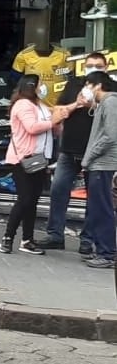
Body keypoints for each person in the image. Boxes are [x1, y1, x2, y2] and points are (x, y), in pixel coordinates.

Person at [0, 74, 80, 256]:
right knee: (25, 199)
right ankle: (8, 237)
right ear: (32, 86)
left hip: (39, 159)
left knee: (33, 201)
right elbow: (32, 127)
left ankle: (27, 239)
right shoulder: (22, 105)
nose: (43, 87)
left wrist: (58, 122)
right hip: (23, 159)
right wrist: (52, 122)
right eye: (40, 84)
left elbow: (52, 121)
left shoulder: (40, 105)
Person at [39, 51, 110, 251]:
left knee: (94, 198)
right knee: (58, 190)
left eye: (97, 65)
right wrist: (77, 104)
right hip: (69, 150)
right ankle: (55, 235)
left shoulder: (111, 90)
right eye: (89, 65)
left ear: (105, 67)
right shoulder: (73, 85)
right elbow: (58, 110)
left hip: (96, 154)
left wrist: (95, 104)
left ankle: (87, 240)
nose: (93, 68)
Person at [76, 71, 117, 269]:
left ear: (98, 85)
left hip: (102, 164)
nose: (86, 89)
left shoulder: (110, 102)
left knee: (102, 209)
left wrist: (88, 157)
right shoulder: (102, 105)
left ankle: (107, 253)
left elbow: (110, 136)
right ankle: (103, 250)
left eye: (88, 85)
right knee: (98, 208)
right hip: (97, 164)